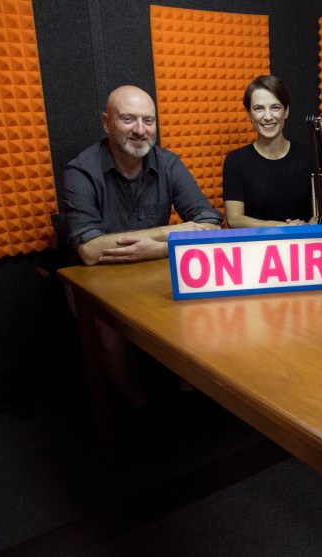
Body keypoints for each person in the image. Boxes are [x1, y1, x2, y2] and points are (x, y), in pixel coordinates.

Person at [62, 84, 224, 407]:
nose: (140, 130)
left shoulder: (168, 164)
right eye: (128, 119)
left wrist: (160, 248)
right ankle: (138, 408)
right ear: (106, 122)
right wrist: (175, 233)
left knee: (205, 306)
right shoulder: (80, 171)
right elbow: (91, 251)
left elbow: (211, 224)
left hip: (155, 269)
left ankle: (189, 395)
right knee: (109, 332)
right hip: (96, 279)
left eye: (148, 121)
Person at [222, 75, 314, 228]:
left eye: (275, 107)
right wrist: (280, 227)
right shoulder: (236, 161)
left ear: (286, 111)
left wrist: (305, 228)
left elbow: (320, 214)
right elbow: (234, 219)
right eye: (259, 108)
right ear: (249, 114)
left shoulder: (309, 157)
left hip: (301, 246)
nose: (268, 117)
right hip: (255, 248)